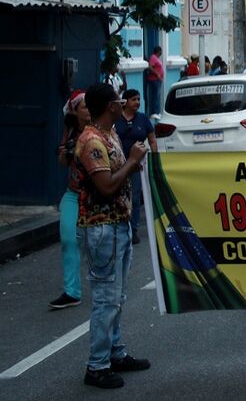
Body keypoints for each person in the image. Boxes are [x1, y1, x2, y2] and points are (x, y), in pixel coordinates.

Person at [74, 83, 150, 389]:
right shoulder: (92, 141)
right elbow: (105, 186)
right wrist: (132, 161)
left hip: (119, 224)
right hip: (100, 227)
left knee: (117, 296)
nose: (123, 104)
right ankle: (97, 365)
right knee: (106, 297)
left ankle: (115, 352)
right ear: (109, 107)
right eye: (118, 101)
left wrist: (134, 163)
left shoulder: (111, 135)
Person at [50, 90, 91, 311]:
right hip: (73, 194)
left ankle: (108, 286)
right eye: (83, 106)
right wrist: (65, 152)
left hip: (97, 197)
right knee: (68, 240)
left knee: (99, 246)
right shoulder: (71, 129)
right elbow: (63, 163)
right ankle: (72, 291)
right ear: (74, 111)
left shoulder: (101, 129)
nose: (88, 109)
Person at [114, 89, 157, 245]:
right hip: (118, 164)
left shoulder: (143, 119)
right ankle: (119, 227)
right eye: (134, 99)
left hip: (136, 166)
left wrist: (155, 158)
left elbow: (152, 139)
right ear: (125, 102)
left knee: (136, 197)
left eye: (139, 99)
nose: (137, 102)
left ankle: (133, 229)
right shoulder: (116, 119)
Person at [144, 46, 164, 115]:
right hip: (154, 80)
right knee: (155, 96)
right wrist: (157, 74)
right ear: (158, 51)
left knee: (157, 96)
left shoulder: (156, 58)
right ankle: (154, 112)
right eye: (160, 51)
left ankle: (157, 112)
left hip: (158, 80)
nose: (161, 53)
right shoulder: (153, 57)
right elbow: (150, 67)